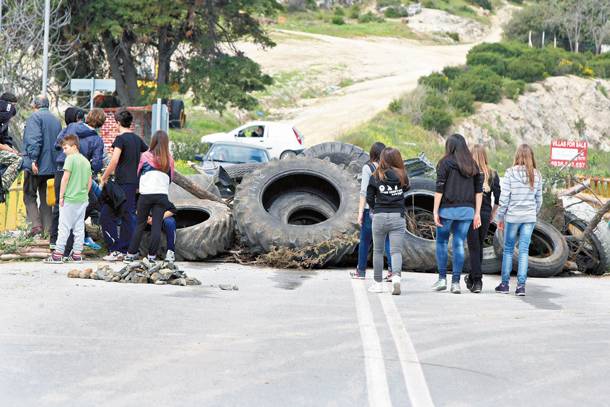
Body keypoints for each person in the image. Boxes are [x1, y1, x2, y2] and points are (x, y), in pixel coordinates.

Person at [432, 134, 483, 294]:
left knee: (441, 242)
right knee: (459, 243)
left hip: (447, 209)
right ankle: (455, 283)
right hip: (467, 211)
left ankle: (442, 279)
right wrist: (477, 213)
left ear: (450, 146)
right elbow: (479, 192)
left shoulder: (445, 163)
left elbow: (439, 189)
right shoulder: (473, 165)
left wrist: (435, 211)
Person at [50, 108, 105, 252]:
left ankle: (54, 240)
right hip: (81, 172)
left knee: (59, 202)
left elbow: (57, 144)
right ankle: (73, 233)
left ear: (88, 118)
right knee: (92, 201)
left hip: (62, 167)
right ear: (101, 123)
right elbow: (97, 164)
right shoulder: (97, 139)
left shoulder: (72, 127)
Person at [495, 144, 542, 296]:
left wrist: (500, 217)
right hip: (529, 217)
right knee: (523, 251)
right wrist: (533, 213)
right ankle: (521, 286)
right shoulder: (537, 175)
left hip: (513, 217)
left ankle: (505, 284)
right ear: (531, 157)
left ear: (517, 156)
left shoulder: (510, 173)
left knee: (508, 250)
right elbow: (539, 199)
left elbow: (504, 198)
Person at [100, 110, 148, 261]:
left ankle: (118, 249)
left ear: (118, 123)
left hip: (121, 183)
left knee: (107, 214)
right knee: (127, 215)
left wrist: (104, 177)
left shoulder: (120, 139)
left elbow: (114, 161)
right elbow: (145, 157)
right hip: (133, 182)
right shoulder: (137, 139)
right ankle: (127, 249)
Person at [125, 130, 175, 263]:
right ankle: (152, 257)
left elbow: (138, 173)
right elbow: (171, 178)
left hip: (146, 194)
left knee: (140, 225)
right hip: (161, 195)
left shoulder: (145, 156)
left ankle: (131, 255)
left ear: (153, 141)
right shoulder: (169, 159)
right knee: (156, 226)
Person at [366, 147, 409, 295]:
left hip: (379, 216)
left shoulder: (376, 175)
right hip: (397, 216)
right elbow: (406, 189)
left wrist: (375, 208)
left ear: (383, 159)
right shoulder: (402, 175)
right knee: (396, 251)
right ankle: (396, 277)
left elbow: (369, 197)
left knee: (378, 251)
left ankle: (378, 284)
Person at [44, 135, 92, 263]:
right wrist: (84, 194)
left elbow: (65, 179)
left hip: (69, 199)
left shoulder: (70, 159)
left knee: (64, 227)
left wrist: (60, 197)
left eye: (65, 148)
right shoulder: (86, 161)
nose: (64, 151)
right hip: (82, 199)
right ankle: (77, 254)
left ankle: (58, 254)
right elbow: (89, 182)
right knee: (79, 227)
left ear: (74, 146)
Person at [22, 95, 62, 237]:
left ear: (35, 105)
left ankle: (36, 226)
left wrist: (33, 160)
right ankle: (48, 231)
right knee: (46, 198)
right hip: (52, 166)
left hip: (37, 165)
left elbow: (34, 140)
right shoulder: (56, 120)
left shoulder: (35, 118)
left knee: (29, 195)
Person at [352, 141, 393, 280]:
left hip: (370, 210)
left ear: (372, 153)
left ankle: (361, 271)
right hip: (386, 209)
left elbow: (364, 192)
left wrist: (359, 214)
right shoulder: (389, 168)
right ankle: (392, 271)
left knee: (365, 240)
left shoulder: (368, 168)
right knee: (387, 240)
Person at [465, 144, 500, 293]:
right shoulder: (493, 174)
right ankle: (473, 278)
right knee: (478, 246)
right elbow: (498, 197)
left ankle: (477, 280)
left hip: (471, 212)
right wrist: (493, 213)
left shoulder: (468, 173)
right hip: (485, 213)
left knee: (474, 247)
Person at [0, 93, 23, 200]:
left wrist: (13, 150)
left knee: (17, 157)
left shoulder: (3, 123)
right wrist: (11, 151)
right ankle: (2, 186)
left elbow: (5, 140)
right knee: (17, 160)